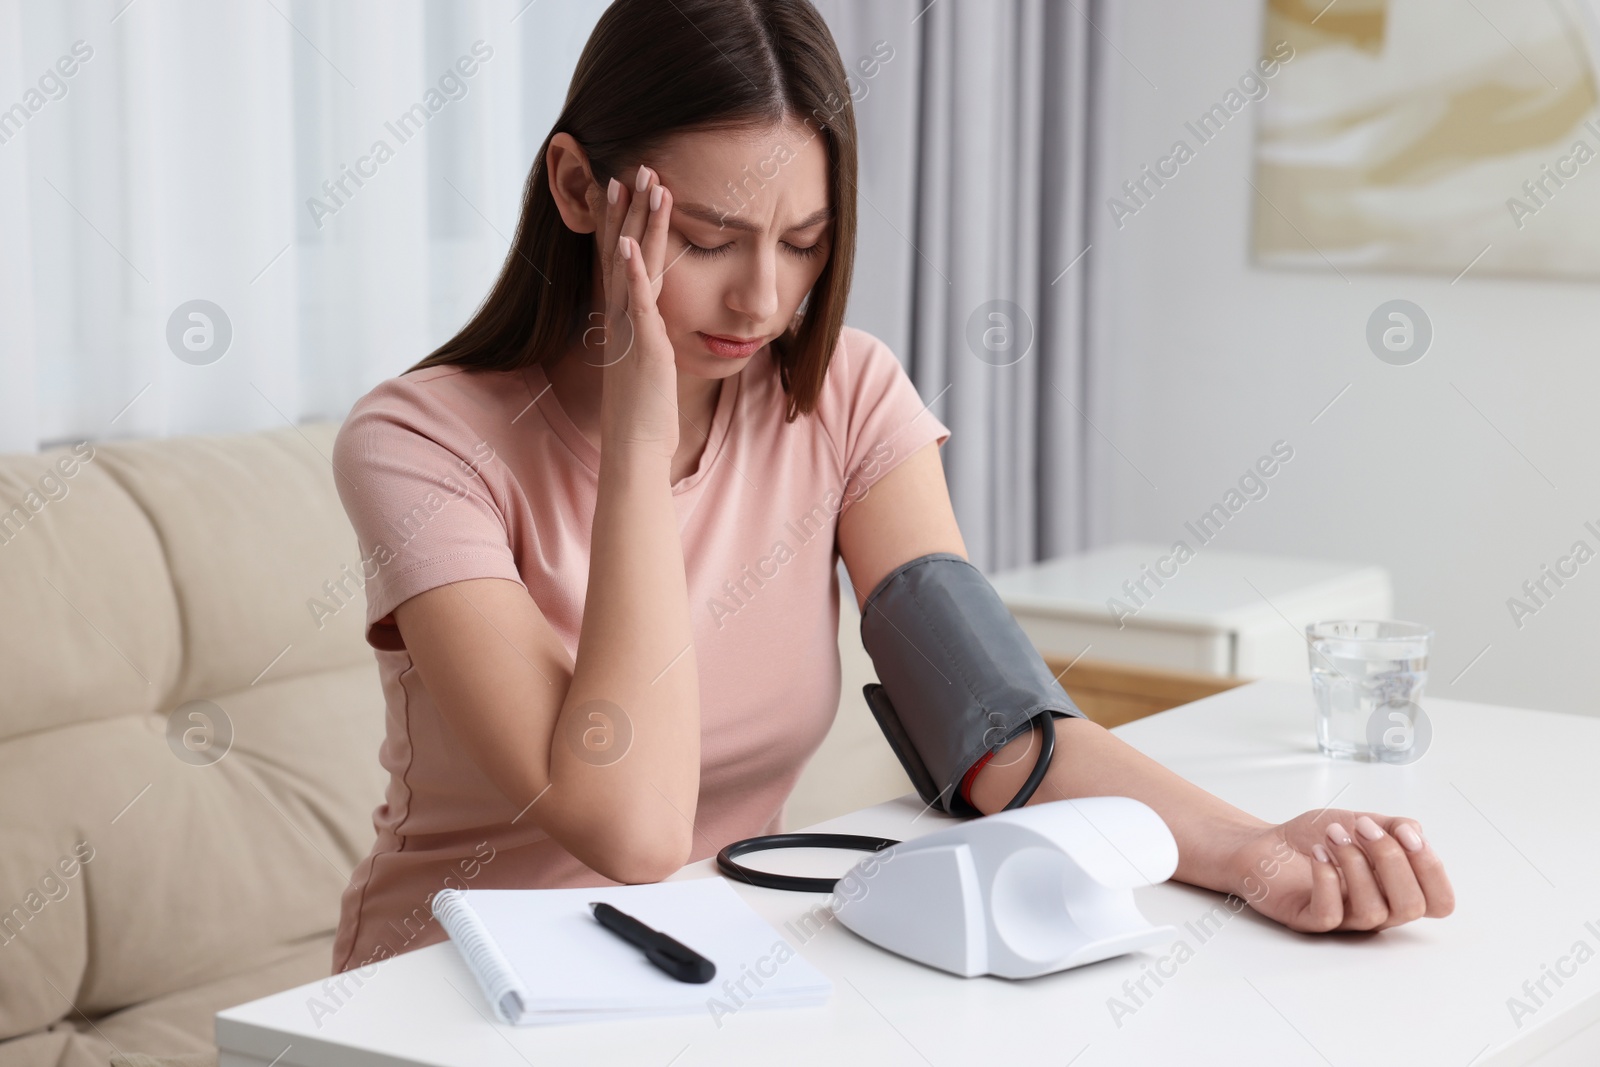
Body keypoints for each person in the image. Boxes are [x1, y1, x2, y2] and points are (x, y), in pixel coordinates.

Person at [328, 0, 1453, 975]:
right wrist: (637, 443)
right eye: (710, 240)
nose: (760, 301)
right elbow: (630, 828)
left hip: (705, 971)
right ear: (579, 187)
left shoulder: (847, 395)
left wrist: (1255, 852)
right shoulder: (419, 445)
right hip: (437, 996)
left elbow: (996, 726)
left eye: (804, 243)